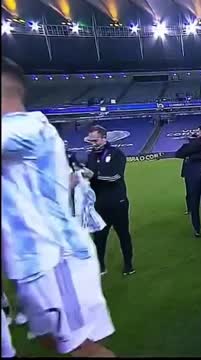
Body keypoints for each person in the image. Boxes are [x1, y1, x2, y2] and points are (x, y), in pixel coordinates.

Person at [1, 56, 115, 357]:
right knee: (52, 341)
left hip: (56, 261)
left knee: (82, 350)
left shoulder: (30, 129)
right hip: (31, 263)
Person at [86, 125, 135, 276]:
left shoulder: (116, 154)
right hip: (99, 204)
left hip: (117, 203)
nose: (93, 143)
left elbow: (114, 177)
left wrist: (92, 176)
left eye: (95, 140)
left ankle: (128, 265)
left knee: (123, 235)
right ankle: (100, 266)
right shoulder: (91, 156)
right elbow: (90, 180)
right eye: (91, 141)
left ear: (104, 138)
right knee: (99, 238)